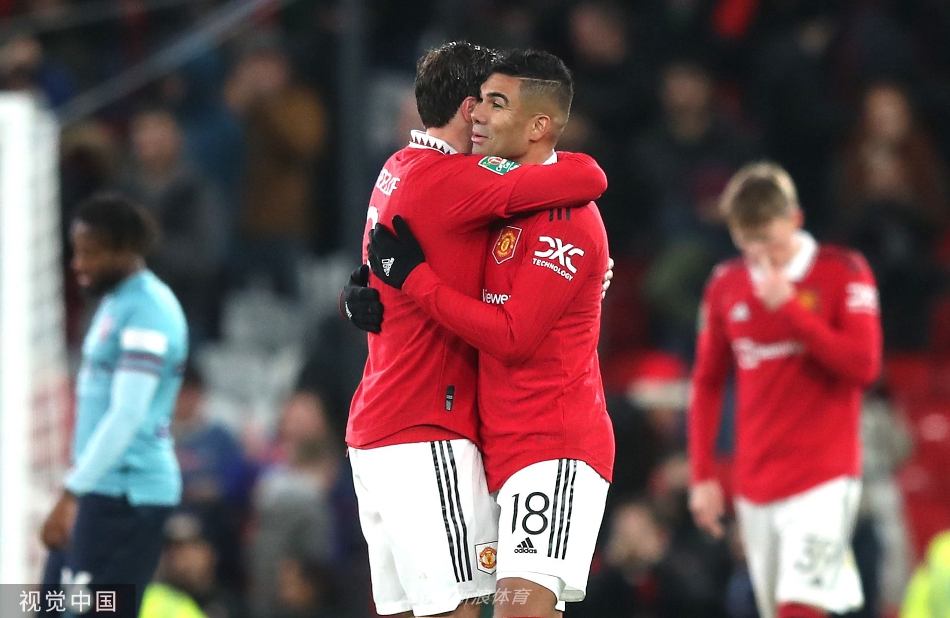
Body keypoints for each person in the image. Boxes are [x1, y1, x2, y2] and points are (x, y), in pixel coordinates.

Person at [343, 41, 608, 618]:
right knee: (463, 609)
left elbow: (584, 184)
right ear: (467, 108)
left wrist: (401, 282)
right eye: (484, 101)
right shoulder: (464, 183)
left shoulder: (400, 167)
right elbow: (587, 174)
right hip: (431, 433)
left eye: (499, 103)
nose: (486, 114)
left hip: (543, 443)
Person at [687, 162, 883, 618]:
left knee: (801, 607)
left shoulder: (843, 271)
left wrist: (792, 312)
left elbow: (864, 367)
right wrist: (702, 475)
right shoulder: (725, 284)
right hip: (755, 482)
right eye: (747, 243)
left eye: (769, 240)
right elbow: (707, 383)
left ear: (795, 219)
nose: (761, 256)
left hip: (824, 478)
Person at [40, 193, 189, 617]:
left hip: (126, 495)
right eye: (76, 251)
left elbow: (128, 413)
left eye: (90, 252)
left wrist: (72, 491)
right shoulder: (117, 302)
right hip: (99, 490)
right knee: (43, 606)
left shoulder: (149, 311)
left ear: (125, 250)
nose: (78, 264)